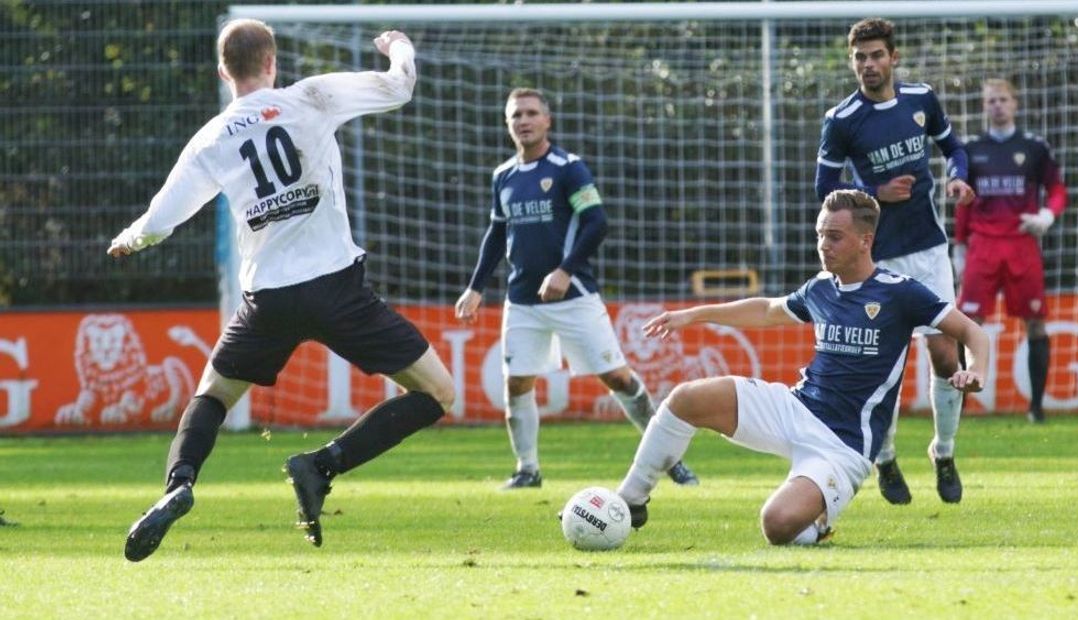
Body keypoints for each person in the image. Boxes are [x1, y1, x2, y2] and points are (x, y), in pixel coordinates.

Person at [108, 20, 454, 561]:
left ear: (224, 71)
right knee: (437, 392)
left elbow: (161, 219)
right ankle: (322, 464)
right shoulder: (311, 97)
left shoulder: (211, 138)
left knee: (213, 396)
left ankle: (180, 482)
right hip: (338, 288)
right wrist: (399, 46)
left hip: (267, 298)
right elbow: (399, 86)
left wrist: (130, 240)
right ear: (272, 61)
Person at [616, 190, 989, 545]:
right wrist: (692, 315)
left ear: (865, 240)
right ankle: (628, 500)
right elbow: (765, 310)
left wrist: (976, 370)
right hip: (796, 407)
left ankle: (819, 518)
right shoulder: (821, 288)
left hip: (844, 446)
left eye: (835, 236)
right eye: (820, 235)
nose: (823, 245)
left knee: (777, 525)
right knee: (686, 398)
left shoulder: (901, 292)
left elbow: (972, 333)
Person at [454, 88, 698, 489]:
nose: (524, 121)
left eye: (532, 113)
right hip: (523, 300)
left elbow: (597, 222)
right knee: (517, 383)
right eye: (516, 115)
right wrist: (476, 286)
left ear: (547, 120)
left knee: (617, 378)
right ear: (507, 123)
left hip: (574, 296)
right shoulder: (504, 176)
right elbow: (497, 233)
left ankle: (670, 461)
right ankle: (527, 469)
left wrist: (565, 270)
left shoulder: (568, 168)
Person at [815, 17, 977, 506]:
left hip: (928, 249)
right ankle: (883, 458)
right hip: (873, 256)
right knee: (877, 363)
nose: (868, 65)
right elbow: (825, 190)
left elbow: (954, 148)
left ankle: (943, 452)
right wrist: (874, 193)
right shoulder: (841, 120)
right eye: (860, 57)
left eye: (876, 55)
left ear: (893, 57)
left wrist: (958, 177)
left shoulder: (921, 99)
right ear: (853, 62)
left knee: (946, 355)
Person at [954, 79, 1068, 424]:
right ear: (984, 106)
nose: (997, 106)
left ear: (1015, 104)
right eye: (991, 101)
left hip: (1021, 244)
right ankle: (958, 405)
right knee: (965, 323)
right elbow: (963, 202)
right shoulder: (971, 149)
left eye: (1003, 100)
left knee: (1035, 323)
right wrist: (959, 247)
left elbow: (1057, 188)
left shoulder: (1034, 148)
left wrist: (1048, 214)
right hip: (983, 246)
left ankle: (1036, 407)